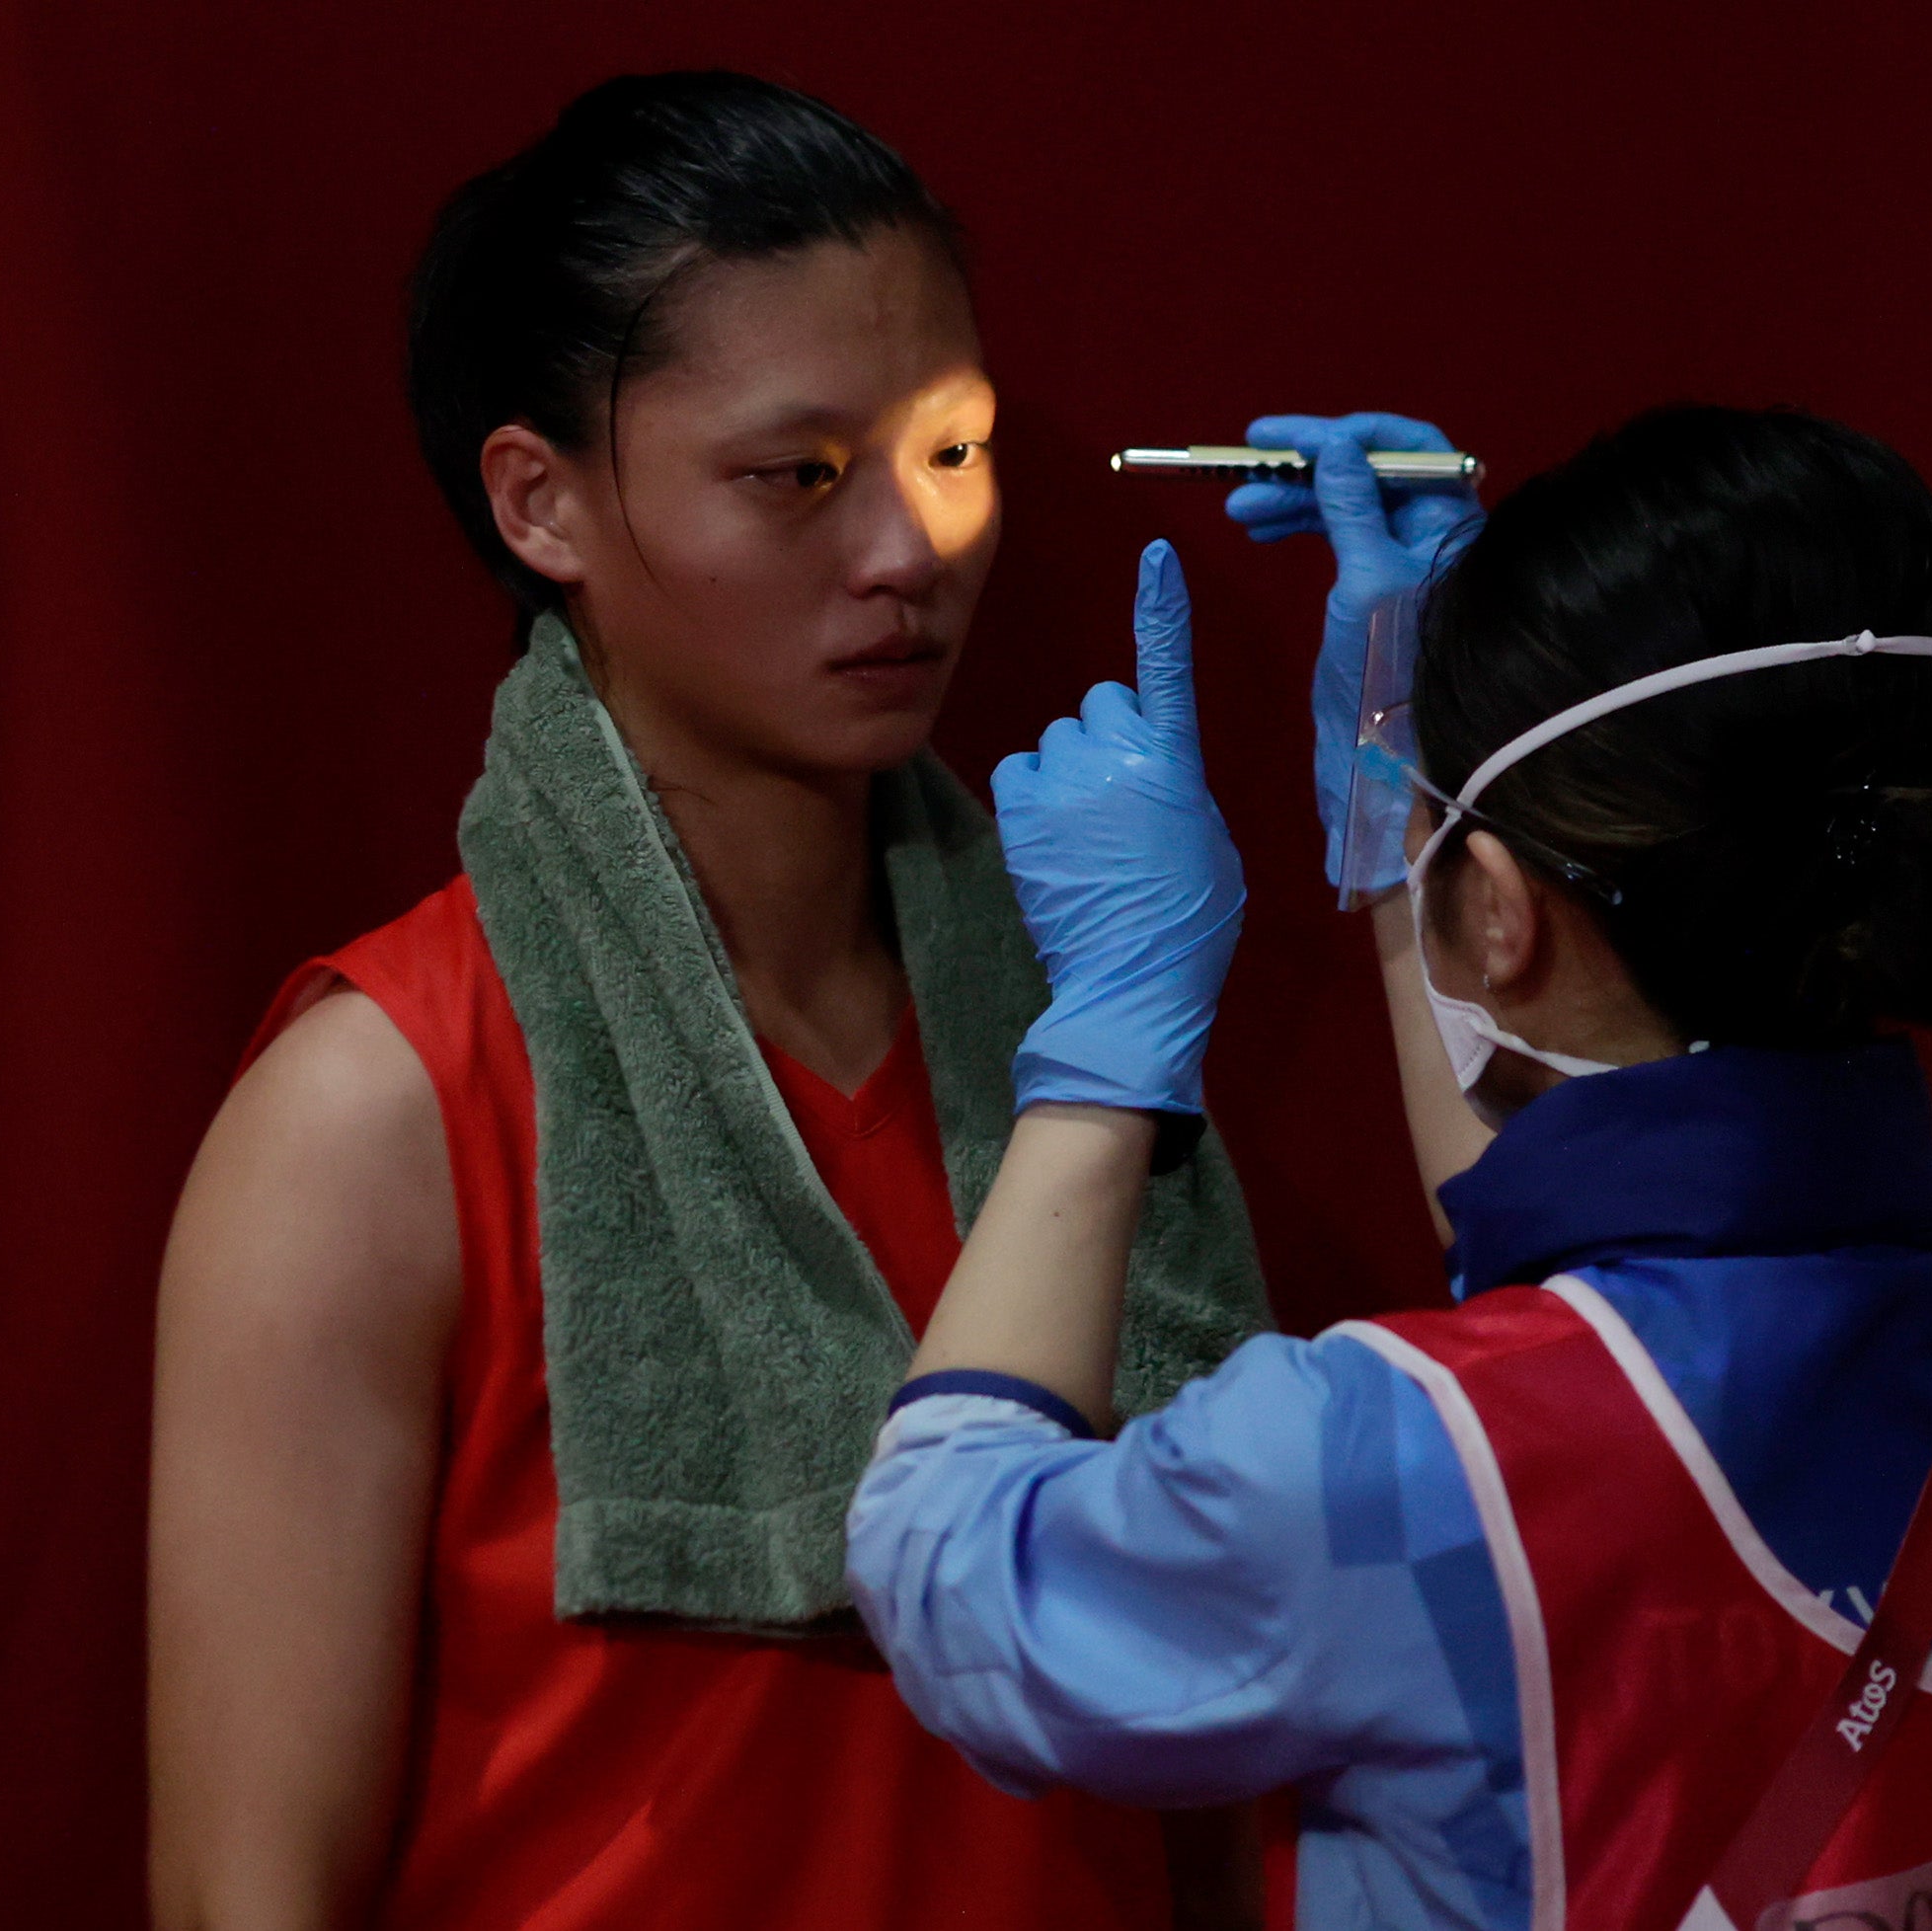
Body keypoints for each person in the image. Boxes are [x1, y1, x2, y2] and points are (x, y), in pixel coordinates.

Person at [146, 72, 1269, 1930]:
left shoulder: (1086, 1024)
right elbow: (241, 1892)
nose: (911, 550)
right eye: (797, 476)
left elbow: (1238, 1701)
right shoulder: (379, 1106)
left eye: (955, 452)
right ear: (542, 502)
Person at [845, 405, 1932, 1930]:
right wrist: (1399, 836)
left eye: (1442, 845)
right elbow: (1578, 1337)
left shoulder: (1375, 1460)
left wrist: (1106, 1033)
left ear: (1495, 909)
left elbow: (945, 1564)